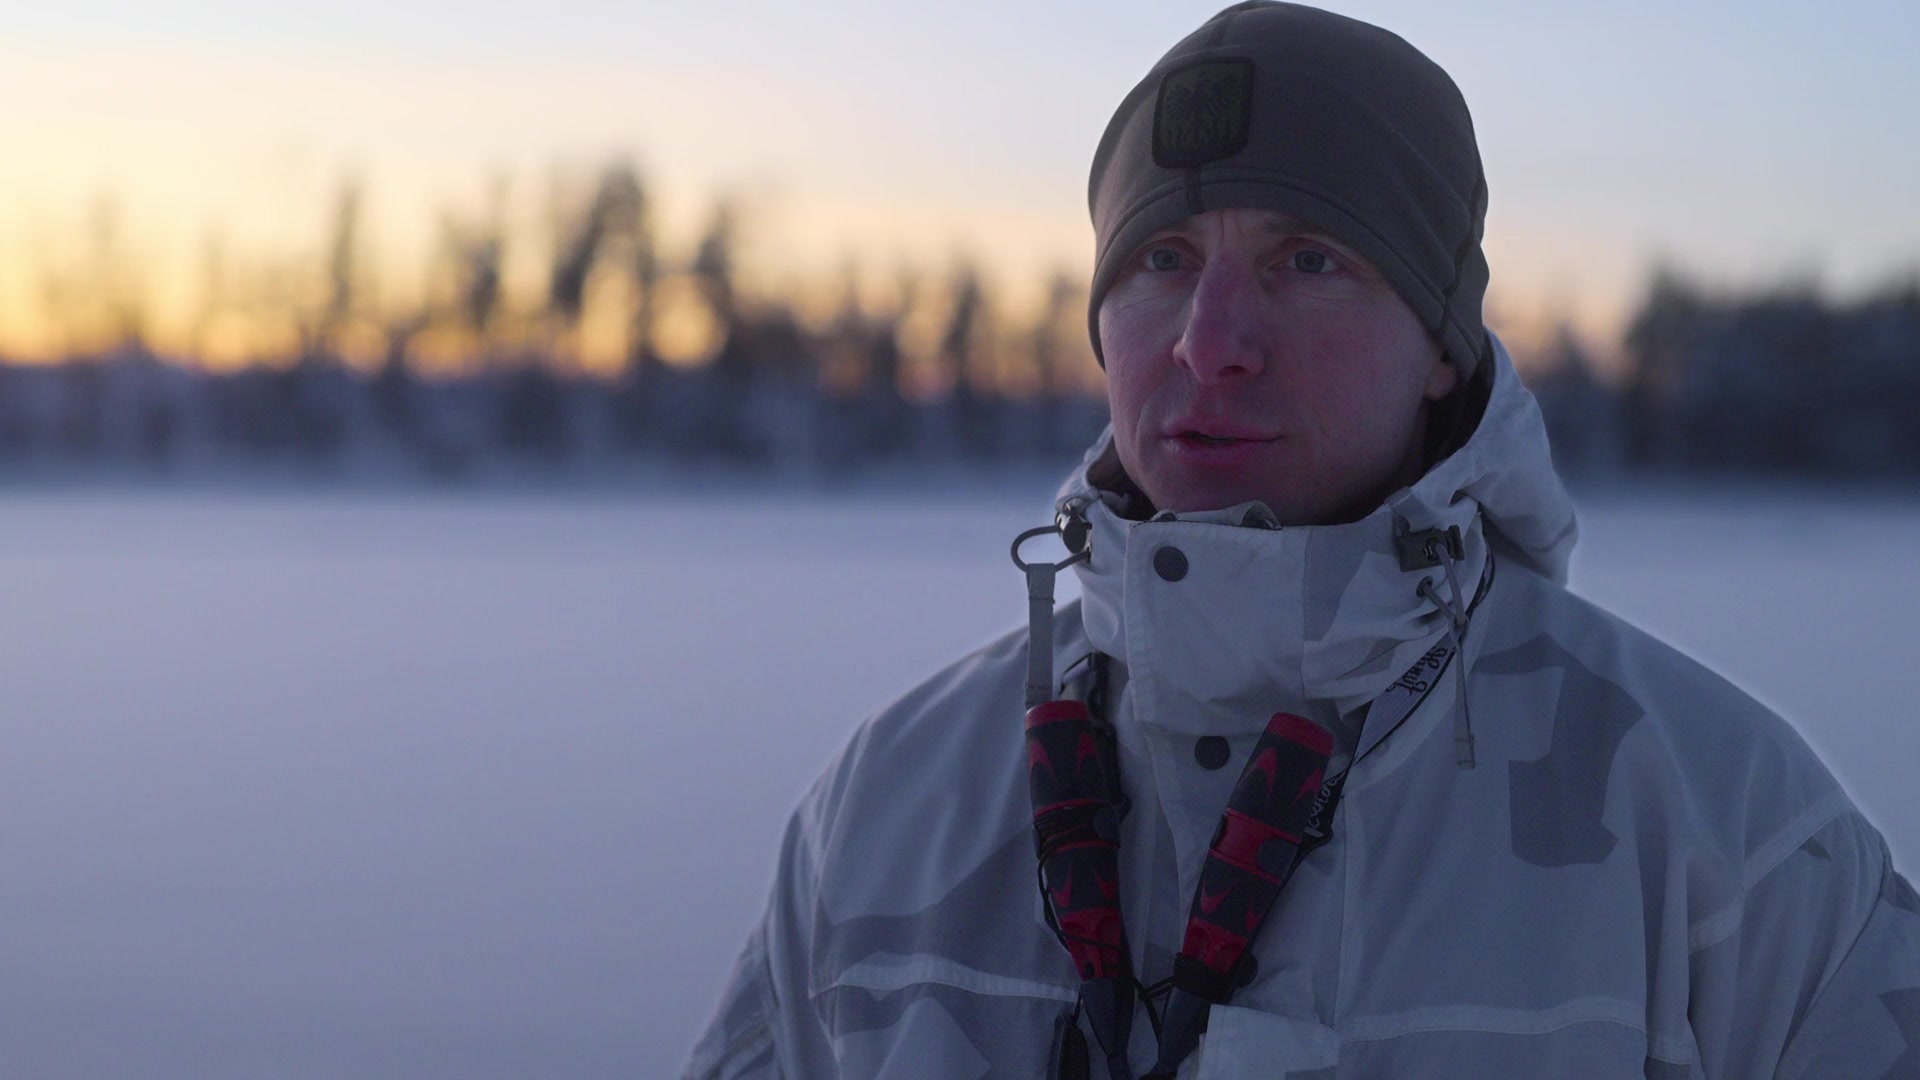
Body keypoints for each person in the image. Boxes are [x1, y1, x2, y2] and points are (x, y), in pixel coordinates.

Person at [684, 3, 1920, 1076]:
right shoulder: (886, 809)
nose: (1210, 339)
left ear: (1443, 349)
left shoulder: (1726, 836)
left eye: (1308, 258)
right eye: (1162, 258)